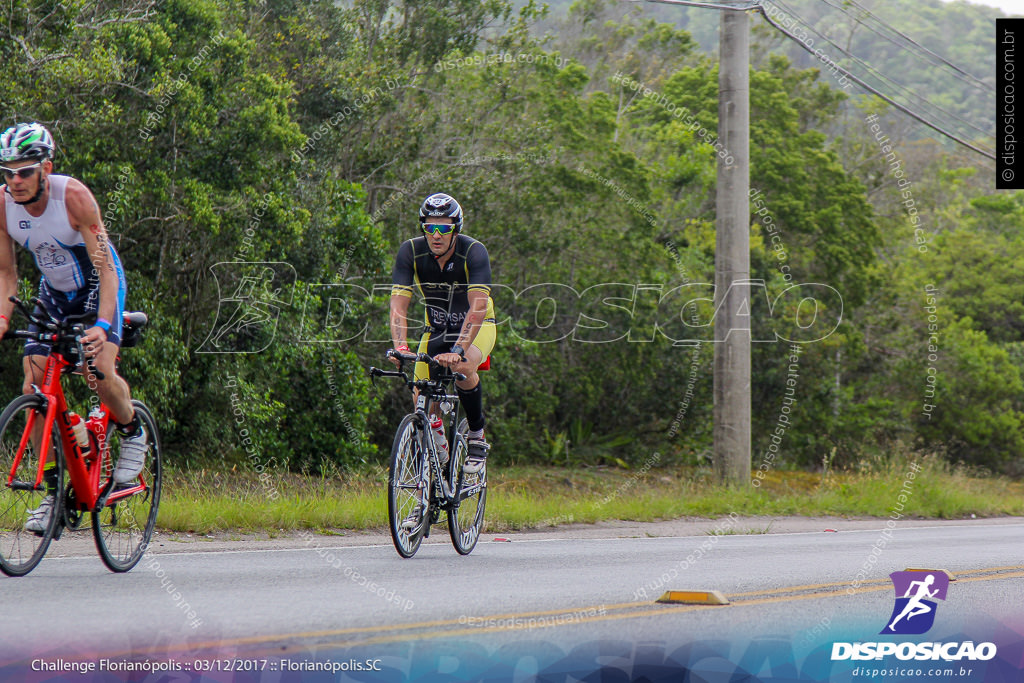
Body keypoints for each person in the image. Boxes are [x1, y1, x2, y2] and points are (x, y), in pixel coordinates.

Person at [0, 122, 148, 533]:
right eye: (8, 171)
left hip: (99, 284)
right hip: (56, 292)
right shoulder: (2, 205)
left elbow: (105, 267)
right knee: (33, 382)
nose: (16, 180)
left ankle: (133, 431)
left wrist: (103, 324)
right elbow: (6, 273)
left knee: (98, 371)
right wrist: (2, 318)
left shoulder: (74, 197)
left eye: (25, 171)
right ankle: (54, 490)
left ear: (46, 167)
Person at [389, 192, 495, 483]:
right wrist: (400, 346)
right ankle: (435, 479)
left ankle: (476, 434)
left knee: (462, 367)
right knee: (421, 399)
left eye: (444, 228)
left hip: (478, 325)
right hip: (436, 329)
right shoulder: (410, 251)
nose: (436, 235)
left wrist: (460, 349)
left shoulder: (473, 251)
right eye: (429, 227)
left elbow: (478, 307)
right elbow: (398, 307)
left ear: (455, 228)